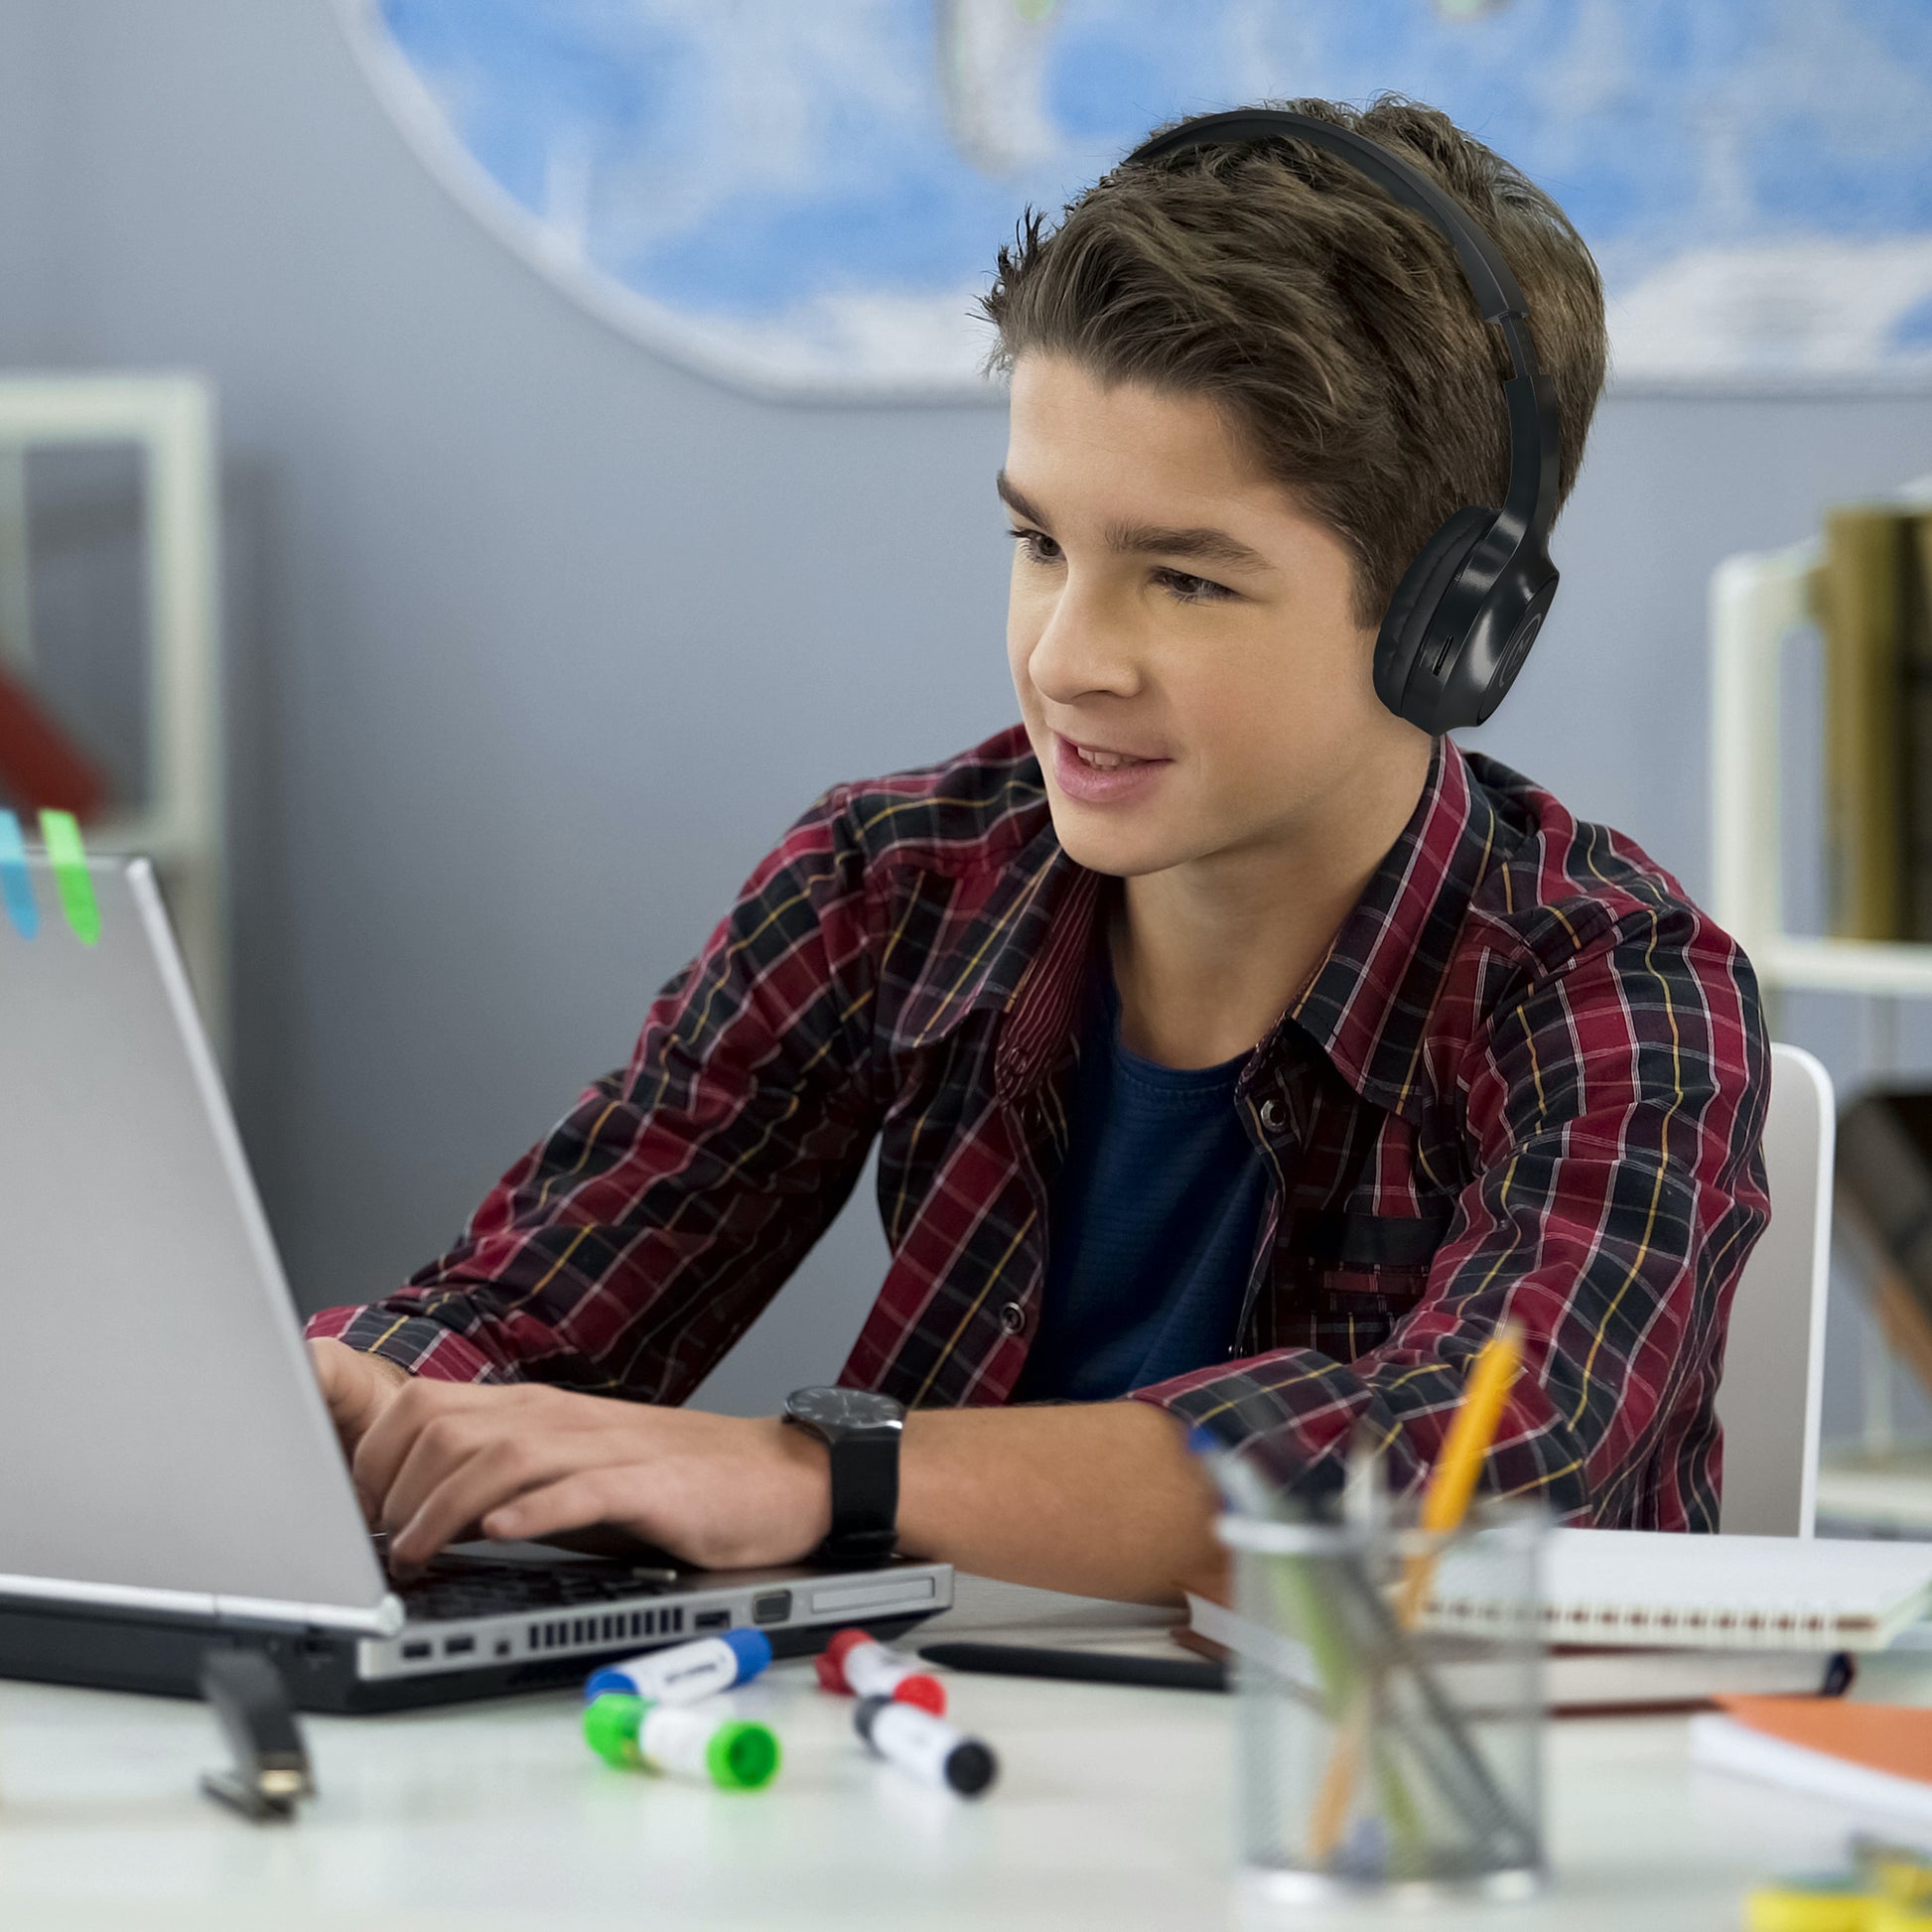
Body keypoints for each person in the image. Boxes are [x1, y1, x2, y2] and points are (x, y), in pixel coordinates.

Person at [307, 95, 1770, 1604]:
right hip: (956, 1785)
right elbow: (527, 1317)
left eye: (1187, 581)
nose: (1067, 659)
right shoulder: (890, 882)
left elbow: (1480, 1461)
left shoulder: (1618, 990)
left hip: (1400, 1821)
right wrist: (355, 1401)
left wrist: (821, 1474)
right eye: (1039, 545)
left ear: (1451, 629)